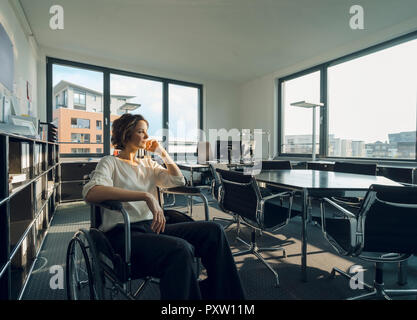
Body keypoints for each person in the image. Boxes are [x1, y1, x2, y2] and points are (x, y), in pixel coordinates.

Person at [82, 113, 245, 300]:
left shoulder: (148, 163)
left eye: (146, 132)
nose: (146, 136)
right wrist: (146, 197)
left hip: (154, 227)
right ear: (126, 134)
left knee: (214, 231)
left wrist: (162, 153)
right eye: (140, 132)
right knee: (180, 249)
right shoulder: (110, 162)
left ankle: (225, 298)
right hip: (124, 232)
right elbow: (91, 192)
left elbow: (178, 180)